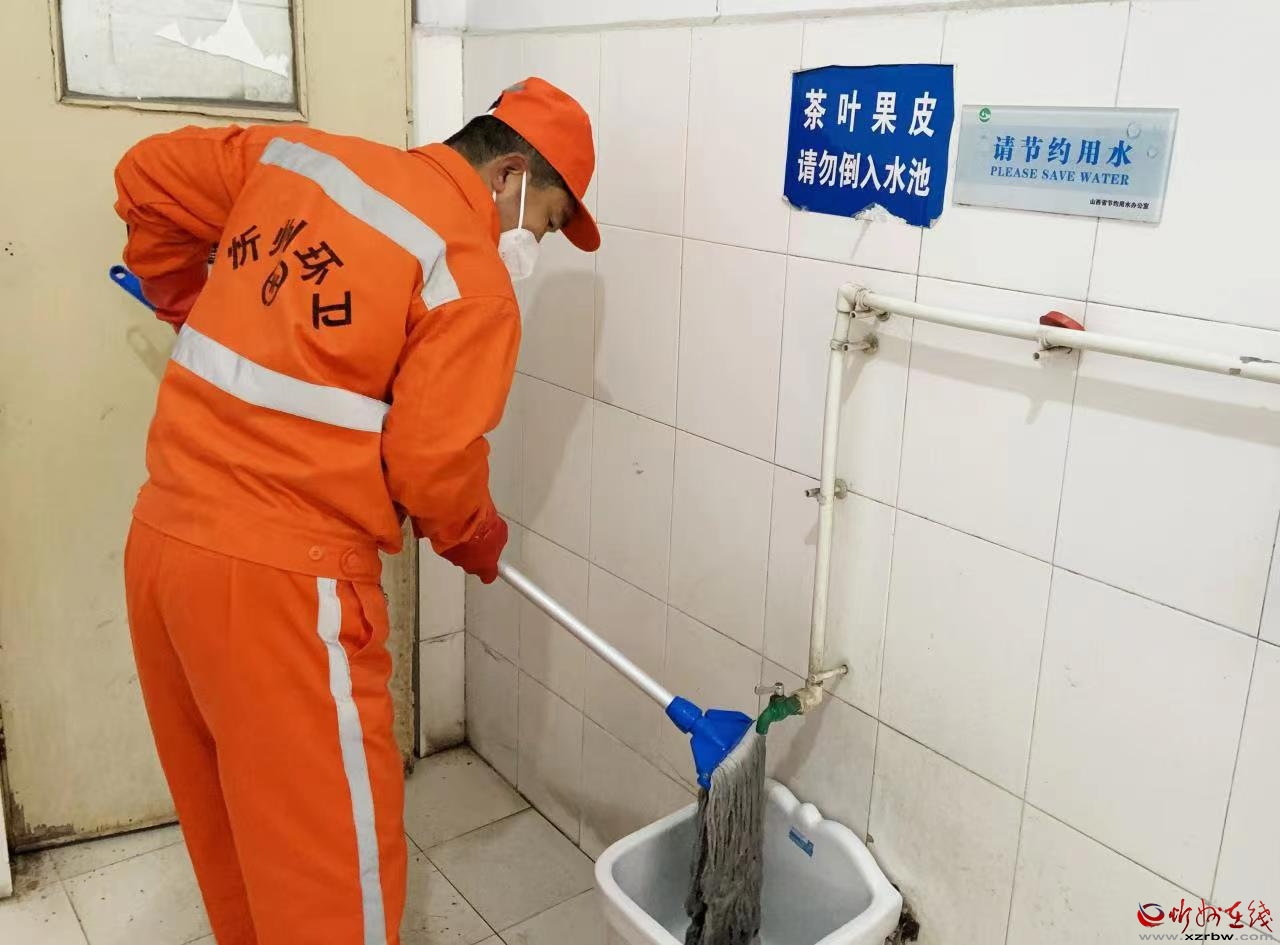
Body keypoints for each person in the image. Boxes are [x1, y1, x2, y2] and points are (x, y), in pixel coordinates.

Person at [113, 77, 598, 945]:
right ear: (509, 175)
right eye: (548, 221)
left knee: (239, 846)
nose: (534, 243)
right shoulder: (469, 277)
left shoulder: (301, 160)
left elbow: (145, 175)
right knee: (331, 890)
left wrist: (180, 298)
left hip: (162, 546)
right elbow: (431, 465)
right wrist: (475, 533)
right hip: (284, 594)